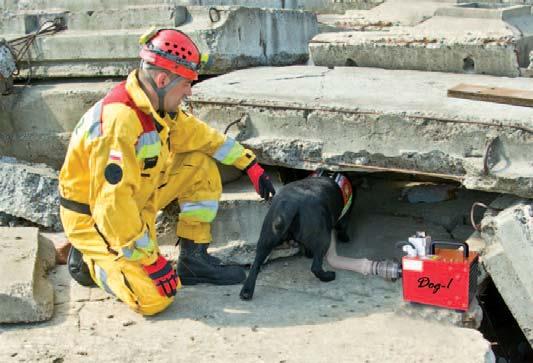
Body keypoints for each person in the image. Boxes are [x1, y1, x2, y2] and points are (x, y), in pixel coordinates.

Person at [58, 28, 276, 315]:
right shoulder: (119, 124)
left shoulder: (156, 108)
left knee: (199, 164)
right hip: (98, 220)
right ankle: (89, 262)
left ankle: (194, 261)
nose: (188, 92)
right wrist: (151, 261)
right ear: (163, 80)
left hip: (136, 201)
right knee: (155, 299)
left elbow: (201, 136)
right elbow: (112, 208)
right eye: (185, 84)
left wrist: (249, 164)